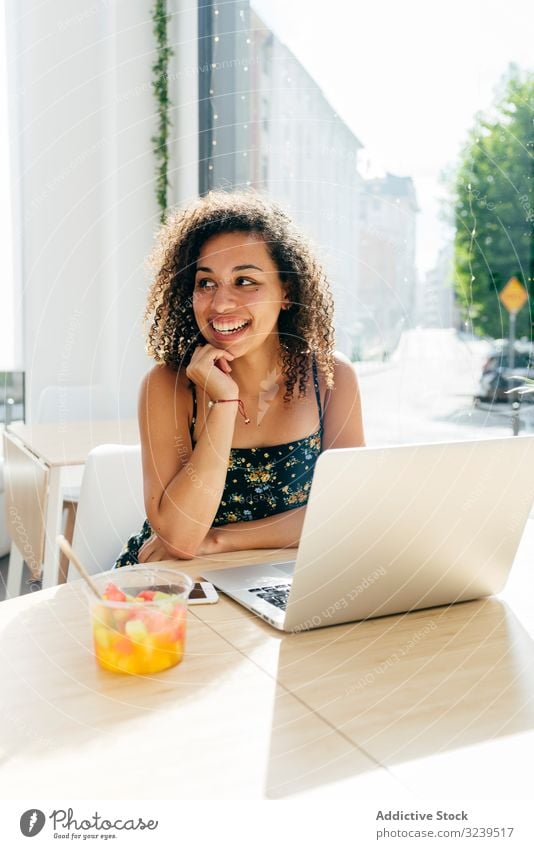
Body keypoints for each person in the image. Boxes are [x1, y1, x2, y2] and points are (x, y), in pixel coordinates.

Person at [113, 190, 365, 567]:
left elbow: (350, 512)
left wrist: (218, 540)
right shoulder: (167, 386)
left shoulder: (330, 379)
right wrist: (223, 405)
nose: (220, 304)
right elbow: (180, 539)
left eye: (245, 281)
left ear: (287, 293)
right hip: (175, 584)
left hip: (284, 579)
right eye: (206, 283)